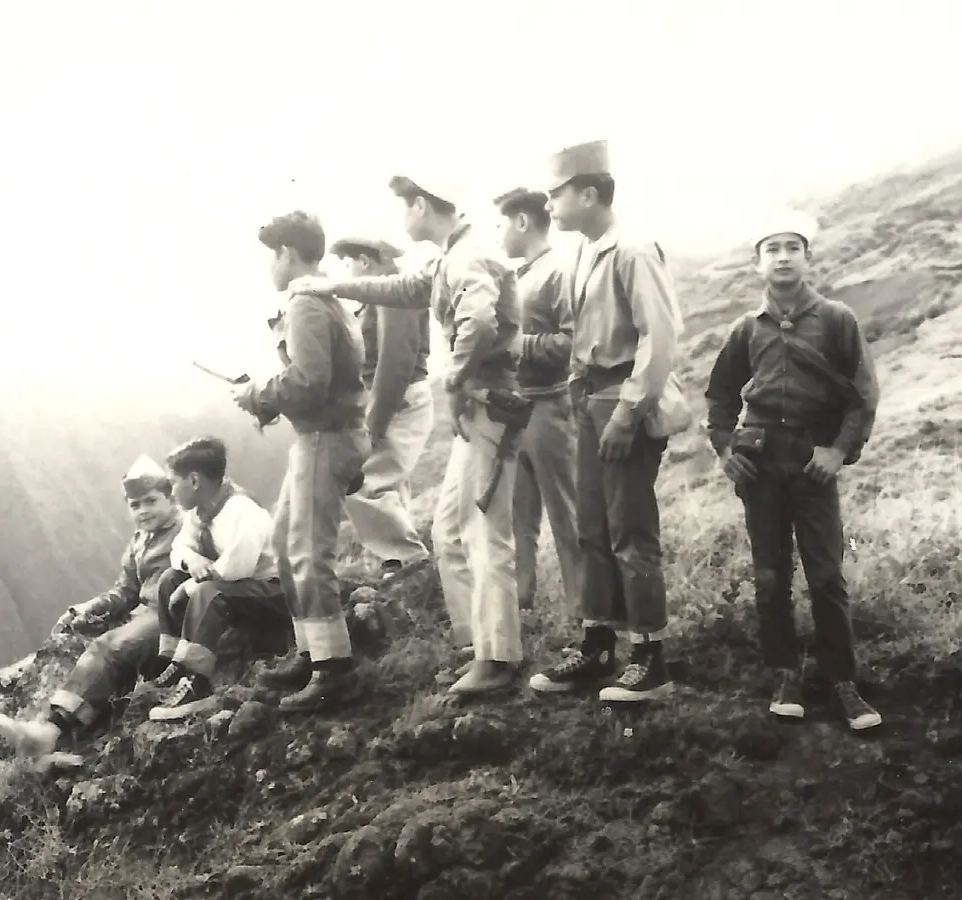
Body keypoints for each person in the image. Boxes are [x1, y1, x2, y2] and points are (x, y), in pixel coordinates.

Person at [290, 174, 525, 698]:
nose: (402, 218)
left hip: (489, 404)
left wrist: (455, 374)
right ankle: (476, 648)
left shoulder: (467, 257)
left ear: (421, 205)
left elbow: (480, 321)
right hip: (479, 407)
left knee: (484, 533)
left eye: (404, 207)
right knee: (449, 530)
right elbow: (403, 289)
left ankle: (499, 656)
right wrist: (336, 285)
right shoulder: (451, 255)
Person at [704, 210, 883, 731]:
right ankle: (785, 673)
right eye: (771, 248)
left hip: (813, 463)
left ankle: (842, 681)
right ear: (756, 262)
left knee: (826, 576)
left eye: (792, 247)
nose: (782, 257)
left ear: (808, 257)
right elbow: (718, 397)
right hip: (760, 465)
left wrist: (837, 450)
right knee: (769, 576)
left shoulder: (836, 320)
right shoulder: (745, 330)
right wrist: (723, 449)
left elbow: (863, 395)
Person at [527, 139, 691, 704]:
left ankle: (651, 660)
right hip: (591, 401)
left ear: (590, 193)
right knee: (590, 528)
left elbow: (659, 336)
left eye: (557, 194)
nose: (549, 205)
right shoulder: (586, 251)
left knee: (630, 531)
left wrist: (628, 411)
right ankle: (597, 646)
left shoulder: (633, 250)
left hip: (623, 400)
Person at [231, 211, 370, 714]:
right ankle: (310, 650)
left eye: (274, 254)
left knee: (308, 551)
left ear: (289, 254)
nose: (271, 265)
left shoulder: (307, 305)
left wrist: (259, 395)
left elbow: (310, 379)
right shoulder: (325, 299)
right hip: (321, 436)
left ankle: (334, 670)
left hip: (325, 440)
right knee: (287, 544)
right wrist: (268, 401)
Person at [0, 456, 188, 759]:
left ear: (170, 498)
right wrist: (88, 608)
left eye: (151, 501)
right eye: (135, 505)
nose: (143, 511)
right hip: (144, 614)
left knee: (109, 648)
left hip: (171, 612)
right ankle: (58, 743)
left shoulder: (186, 528)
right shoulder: (140, 541)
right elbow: (126, 589)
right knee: (88, 648)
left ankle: (47, 733)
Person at [147, 436, 291, 722]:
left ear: (195, 481)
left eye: (174, 483)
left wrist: (192, 584)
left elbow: (237, 568)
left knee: (205, 593)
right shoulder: (199, 513)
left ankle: (196, 684)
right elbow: (180, 548)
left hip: (274, 590)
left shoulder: (242, 510)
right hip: (236, 588)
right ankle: (174, 660)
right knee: (168, 579)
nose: (172, 491)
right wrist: (193, 561)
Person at [492, 187, 585, 614]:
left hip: (550, 407)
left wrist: (518, 346)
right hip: (517, 409)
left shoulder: (558, 271)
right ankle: (520, 606)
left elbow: (573, 341)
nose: (498, 234)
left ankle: (586, 614)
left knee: (568, 516)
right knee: (517, 517)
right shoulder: (520, 275)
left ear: (522, 222)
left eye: (500, 224)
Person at [329, 235, 435, 582]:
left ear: (363, 262)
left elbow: (395, 362)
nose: (348, 271)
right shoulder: (384, 297)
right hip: (392, 398)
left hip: (397, 399)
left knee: (362, 481)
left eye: (349, 263)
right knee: (389, 484)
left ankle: (410, 559)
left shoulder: (391, 296)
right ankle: (401, 564)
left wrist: (373, 424)